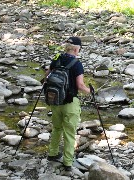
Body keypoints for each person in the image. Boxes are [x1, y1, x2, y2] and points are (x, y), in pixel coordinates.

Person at [45, 37, 90, 171]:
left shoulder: (57, 58)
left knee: (57, 128)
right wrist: (90, 91)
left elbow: (47, 75)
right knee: (69, 133)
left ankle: (52, 154)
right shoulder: (77, 63)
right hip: (70, 102)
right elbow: (80, 85)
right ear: (76, 49)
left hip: (55, 100)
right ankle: (67, 162)